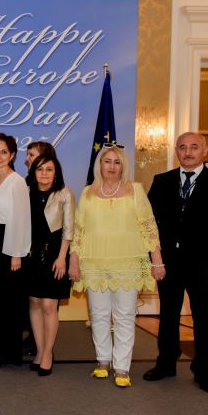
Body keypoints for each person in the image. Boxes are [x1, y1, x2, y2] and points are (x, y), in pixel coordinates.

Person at [143, 132, 208, 393]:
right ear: (176, 150)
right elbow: (148, 224)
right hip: (168, 265)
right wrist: (154, 260)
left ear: (204, 151)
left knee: (204, 320)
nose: (188, 152)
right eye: (183, 147)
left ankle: (204, 371)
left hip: (205, 267)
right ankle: (166, 363)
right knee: (168, 316)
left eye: (194, 147)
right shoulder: (162, 181)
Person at [68, 144, 162, 388]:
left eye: (117, 162)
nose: (112, 166)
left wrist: (157, 260)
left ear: (123, 166)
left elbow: (149, 226)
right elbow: (79, 229)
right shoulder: (88, 193)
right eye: (107, 161)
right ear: (99, 164)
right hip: (94, 263)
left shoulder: (136, 190)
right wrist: (74, 259)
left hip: (127, 263)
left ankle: (122, 367)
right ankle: (103, 361)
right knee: (98, 315)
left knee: (124, 316)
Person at [0, 133, 30, 369]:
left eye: (4, 152)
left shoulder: (17, 181)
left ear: (12, 155)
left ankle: (7, 352)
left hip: (9, 242)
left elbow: (21, 219)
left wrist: (16, 253)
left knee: (9, 301)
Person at [24, 153, 74, 376]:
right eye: (40, 169)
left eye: (49, 169)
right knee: (34, 303)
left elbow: (69, 230)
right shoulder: (27, 192)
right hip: (31, 256)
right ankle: (39, 350)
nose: (44, 173)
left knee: (49, 305)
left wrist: (62, 257)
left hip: (55, 256)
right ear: (33, 172)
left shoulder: (64, 193)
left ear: (56, 173)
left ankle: (47, 354)